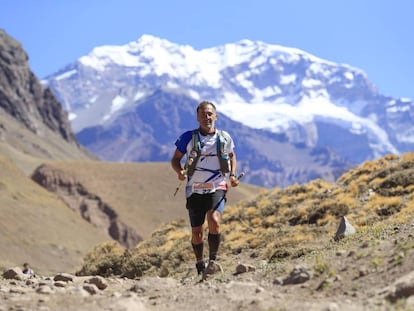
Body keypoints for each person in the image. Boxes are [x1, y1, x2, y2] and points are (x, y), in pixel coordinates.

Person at [171, 100, 239, 276]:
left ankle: (213, 262)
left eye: (209, 114)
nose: (206, 117)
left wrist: (232, 175)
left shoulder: (224, 137)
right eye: (202, 114)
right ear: (197, 117)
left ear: (215, 116)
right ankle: (199, 263)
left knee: (214, 220)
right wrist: (180, 172)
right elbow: (175, 159)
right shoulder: (188, 137)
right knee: (197, 232)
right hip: (194, 189)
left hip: (217, 185)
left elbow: (232, 156)